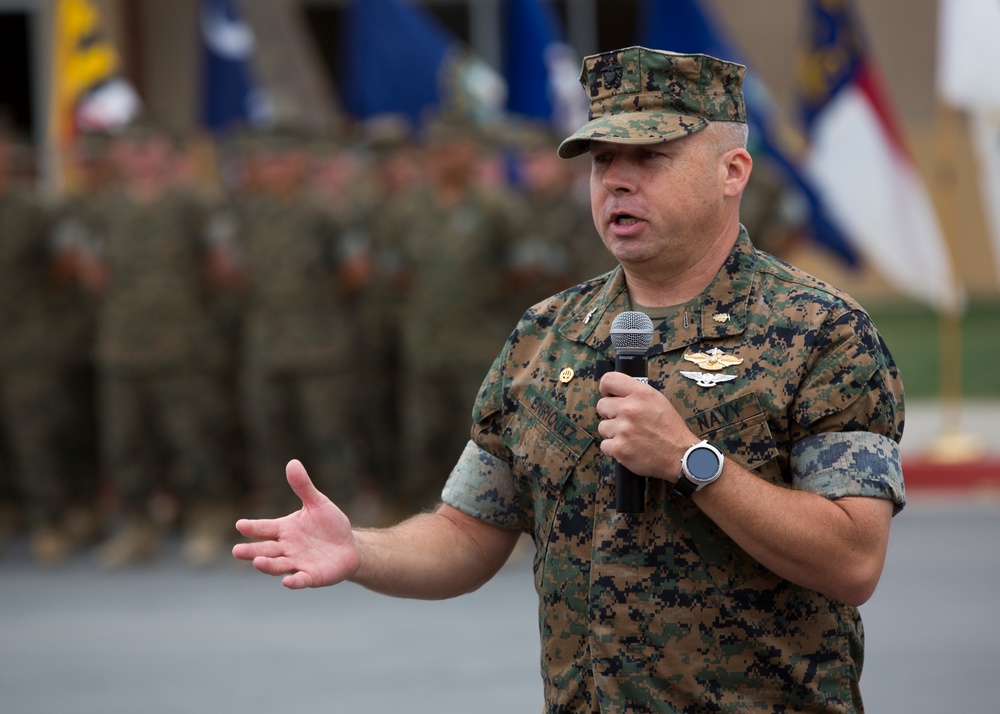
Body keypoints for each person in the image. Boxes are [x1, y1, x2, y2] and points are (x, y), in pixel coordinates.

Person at [233, 47, 905, 713]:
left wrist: (691, 463)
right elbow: (466, 535)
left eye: (650, 157)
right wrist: (360, 551)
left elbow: (852, 561)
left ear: (732, 171)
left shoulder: (821, 333)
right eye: (602, 161)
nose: (617, 180)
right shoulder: (547, 334)